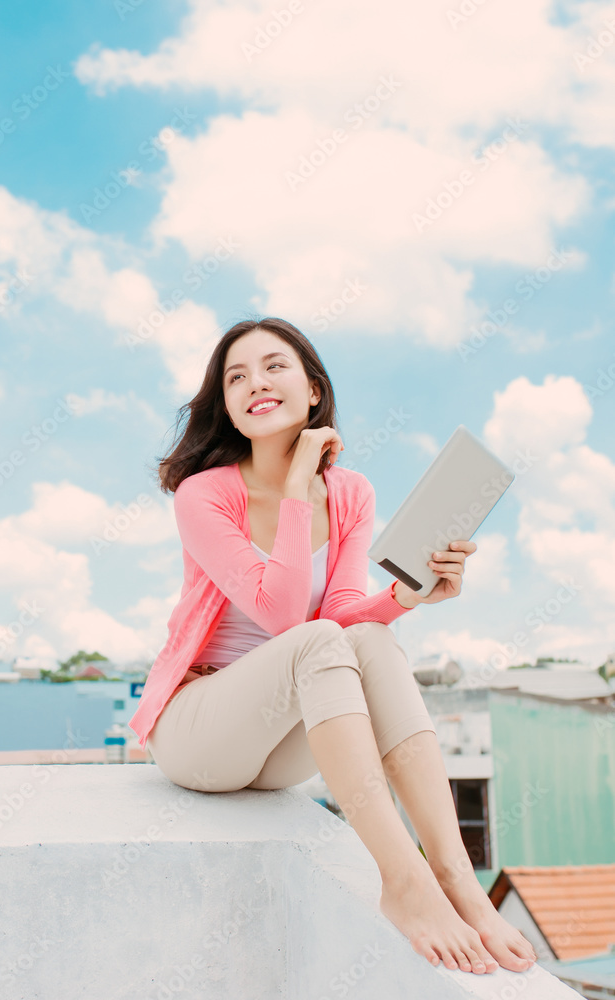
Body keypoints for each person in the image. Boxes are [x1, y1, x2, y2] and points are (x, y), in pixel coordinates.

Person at [128, 316, 537, 977]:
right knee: (320, 640)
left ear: (314, 391)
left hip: (276, 747)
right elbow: (285, 614)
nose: (255, 382)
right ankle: (402, 881)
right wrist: (294, 487)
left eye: (273, 366)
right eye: (236, 377)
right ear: (224, 405)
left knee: (369, 636)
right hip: (198, 733)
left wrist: (408, 596)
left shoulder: (349, 492)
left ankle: (454, 876)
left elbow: (345, 613)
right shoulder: (204, 494)